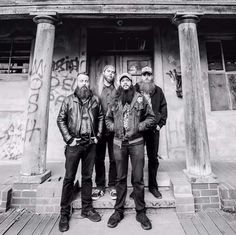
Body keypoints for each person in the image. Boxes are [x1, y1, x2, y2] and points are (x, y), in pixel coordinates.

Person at [106, 72, 157, 230]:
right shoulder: (114, 99)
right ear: (120, 84)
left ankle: (141, 212)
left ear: (131, 82)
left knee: (138, 179)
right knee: (120, 179)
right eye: (123, 80)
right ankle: (118, 211)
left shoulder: (140, 98)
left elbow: (151, 117)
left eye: (128, 80)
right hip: (119, 143)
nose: (125, 83)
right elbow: (107, 119)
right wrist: (114, 127)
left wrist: (139, 127)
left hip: (136, 143)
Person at [57, 73, 103, 232]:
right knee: (69, 178)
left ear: (89, 83)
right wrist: (69, 139)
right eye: (81, 81)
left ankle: (87, 208)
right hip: (74, 144)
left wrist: (98, 135)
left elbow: (102, 117)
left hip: (90, 143)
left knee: (88, 177)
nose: (84, 83)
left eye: (86, 81)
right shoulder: (68, 100)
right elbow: (60, 119)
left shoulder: (95, 100)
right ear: (77, 83)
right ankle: (64, 213)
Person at [132, 66, 168, 199]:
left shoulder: (158, 90)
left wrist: (160, 124)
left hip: (153, 130)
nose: (146, 76)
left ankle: (153, 187)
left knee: (153, 158)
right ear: (140, 76)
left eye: (149, 74)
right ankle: (136, 188)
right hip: (138, 130)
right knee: (137, 159)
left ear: (152, 76)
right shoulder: (135, 89)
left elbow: (164, 108)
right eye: (144, 74)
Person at [92, 65, 117, 201]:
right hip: (99, 129)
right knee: (99, 159)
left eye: (113, 72)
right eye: (108, 71)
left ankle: (112, 186)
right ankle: (100, 186)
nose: (111, 74)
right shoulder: (96, 89)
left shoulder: (118, 89)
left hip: (114, 129)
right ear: (103, 73)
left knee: (114, 159)